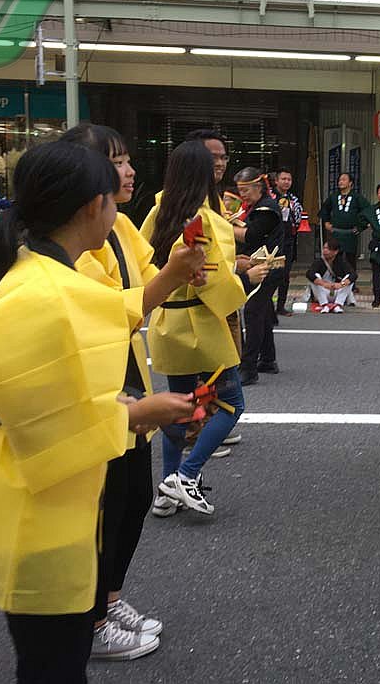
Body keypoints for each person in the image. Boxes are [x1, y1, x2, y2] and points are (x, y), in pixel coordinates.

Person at [0, 140, 196, 683]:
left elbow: (101, 322)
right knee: (54, 662)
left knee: (48, 655)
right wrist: (137, 414)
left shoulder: (30, 269)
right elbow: (47, 429)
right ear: (94, 207)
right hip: (41, 508)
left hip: (25, 493)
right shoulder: (47, 294)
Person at [67, 123, 207, 661]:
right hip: (97, 382)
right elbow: (115, 312)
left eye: (127, 161)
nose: (128, 172)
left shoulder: (121, 224)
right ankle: (91, 621)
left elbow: (149, 279)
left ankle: (108, 599)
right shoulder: (71, 243)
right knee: (102, 509)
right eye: (116, 163)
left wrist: (186, 271)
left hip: (127, 373)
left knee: (131, 500)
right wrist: (172, 275)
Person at [142, 141, 255, 517]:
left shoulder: (160, 211)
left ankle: (166, 488)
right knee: (231, 403)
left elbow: (143, 263)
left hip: (165, 322)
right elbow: (214, 280)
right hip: (201, 324)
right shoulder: (205, 220)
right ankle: (186, 476)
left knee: (179, 408)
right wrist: (246, 276)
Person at [232, 168, 284, 387]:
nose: (242, 195)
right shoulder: (256, 206)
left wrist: (223, 227)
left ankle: (248, 368)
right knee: (263, 311)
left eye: (245, 190)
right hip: (260, 264)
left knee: (253, 311)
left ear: (258, 187)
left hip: (268, 266)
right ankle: (268, 360)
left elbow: (251, 235)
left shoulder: (267, 209)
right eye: (240, 190)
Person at [318, 173, 369, 288]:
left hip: (350, 233)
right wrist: (326, 222)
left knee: (351, 260)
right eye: (340, 179)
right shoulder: (333, 197)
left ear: (350, 183)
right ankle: (336, 282)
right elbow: (324, 209)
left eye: (344, 179)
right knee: (335, 258)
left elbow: (368, 211)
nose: (341, 181)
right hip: (336, 233)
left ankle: (351, 285)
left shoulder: (357, 197)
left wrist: (360, 227)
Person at [273, 167, 303, 316]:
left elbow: (298, 217)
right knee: (270, 274)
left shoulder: (293, 199)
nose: (286, 182)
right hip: (272, 240)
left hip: (288, 239)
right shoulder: (270, 196)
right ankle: (266, 305)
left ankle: (281, 306)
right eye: (283, 179)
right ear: (276, 180)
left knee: (285, 275)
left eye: (289, 179)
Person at [306, 237, 354, 312]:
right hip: (322, 292)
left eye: (328, 249)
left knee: (349, 278)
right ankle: (324, 305)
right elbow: (309, 274)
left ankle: (337, 305)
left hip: (336, 291)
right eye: (324, 248)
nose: (325, 250)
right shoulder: (319, 261)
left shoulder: (341, 261)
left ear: (335, 251)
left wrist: (341, 284)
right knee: (316, 276)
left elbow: (353, 275)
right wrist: (324, 284)